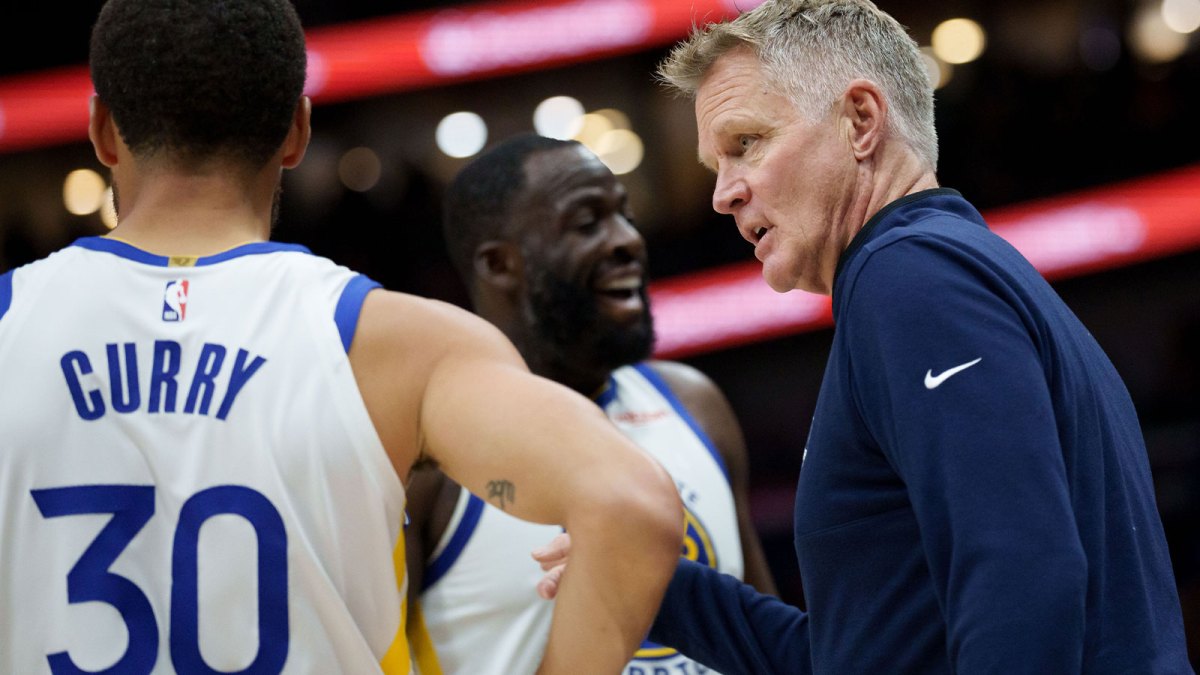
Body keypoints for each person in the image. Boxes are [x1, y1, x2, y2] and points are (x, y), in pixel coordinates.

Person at [0, 1, 683, 673]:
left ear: (102, 131)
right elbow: (632, 504)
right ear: (296, 130)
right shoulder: (400, 342)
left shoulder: (11, 322)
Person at [535, 0, 1195, 673]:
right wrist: (667, 588)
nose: (723, 193)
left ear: (861, 121)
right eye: (716, 167)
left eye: (746, 144)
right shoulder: (944, 272)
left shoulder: (912, 279)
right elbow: (862, 656)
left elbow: (1023, 571)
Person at [402, 133, 777, 675]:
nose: (628, 240)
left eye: (625, 215)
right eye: (587, 222)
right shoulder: (429, 452)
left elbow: (762, 639)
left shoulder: (694, 404)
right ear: (499, 265)